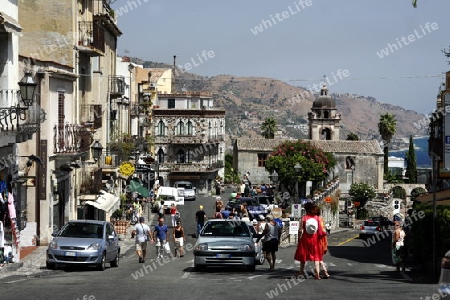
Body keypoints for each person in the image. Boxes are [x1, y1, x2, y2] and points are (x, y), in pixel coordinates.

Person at [294, 202, 325, 279]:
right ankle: (317, 274)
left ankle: (301, 272)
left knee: (303, 256)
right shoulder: (317, 218)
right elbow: (320, 230)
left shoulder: (304, 218)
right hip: (315, 239)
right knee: (316, 256)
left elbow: (300, 230)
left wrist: (298, 238)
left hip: (305, 239)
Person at [315, 206, 330, 279]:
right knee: (319, 258)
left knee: (318, 259)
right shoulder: (321, 219)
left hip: (317, 240)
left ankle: (323, 272)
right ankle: (321, 272)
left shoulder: (315, 220)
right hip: (322, 240)